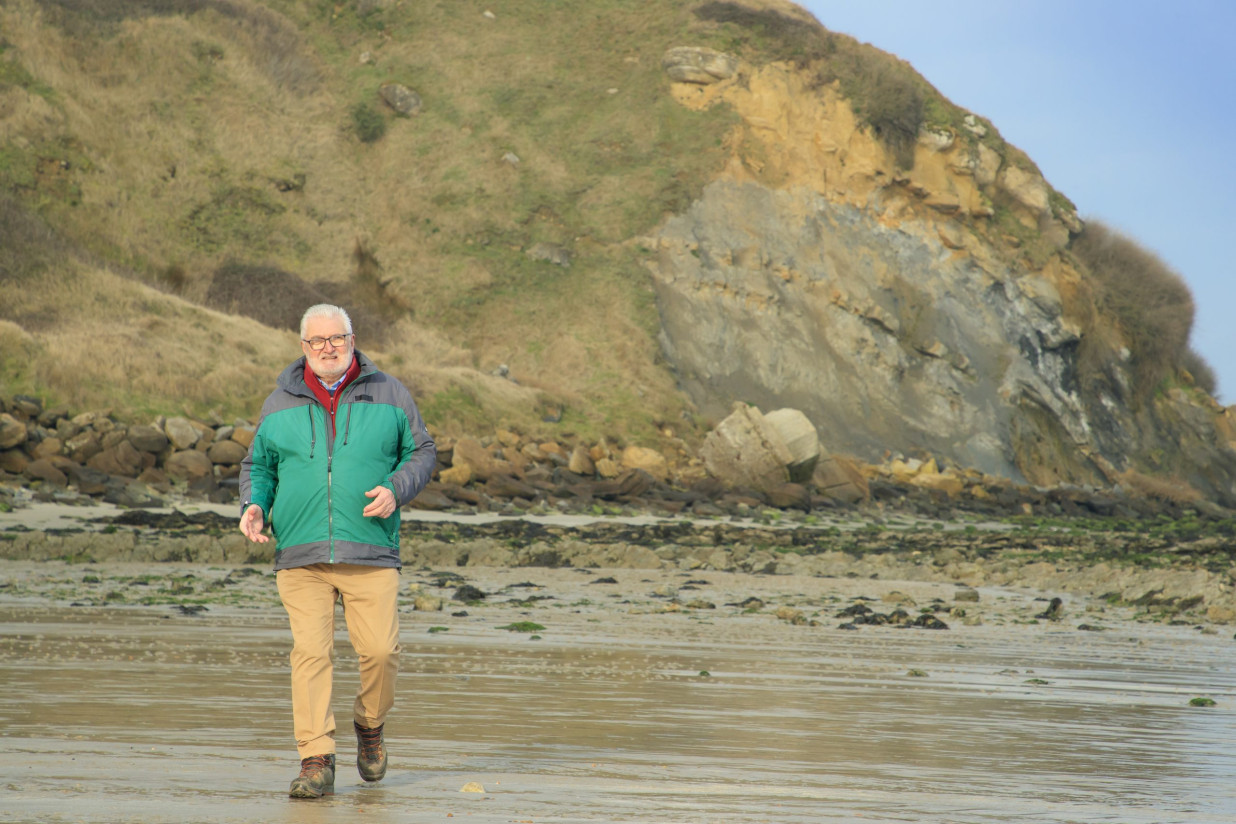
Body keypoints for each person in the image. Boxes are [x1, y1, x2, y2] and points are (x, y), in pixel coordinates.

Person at [239, 303, 436, 799]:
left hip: (370, 548)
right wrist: (254, 505)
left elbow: (422, 452)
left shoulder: (390, 392)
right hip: (301, 554)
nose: (328, 348)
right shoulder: (278, 402)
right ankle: (316, 759)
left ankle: (369, 725)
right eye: (317, 341)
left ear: (352, 339)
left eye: (337, 338)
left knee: (381, 652)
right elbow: (258, 466)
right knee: (310, 654)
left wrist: (397, 487)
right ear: (303, 346)